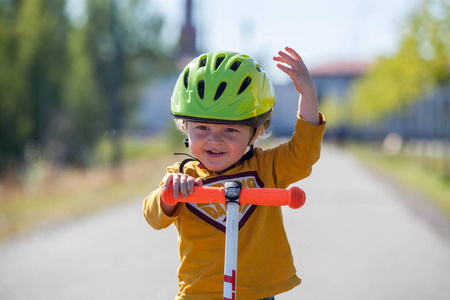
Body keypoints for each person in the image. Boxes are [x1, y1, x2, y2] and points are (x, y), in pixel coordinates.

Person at [143, 47, 326, 300]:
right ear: (185, 127)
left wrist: (308, 93)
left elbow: (303, 153)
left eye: (230, 130)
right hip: (199, 293)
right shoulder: (184, 175)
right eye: (202, 127)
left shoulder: (267, 167)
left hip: (256, 293)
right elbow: (153, 217)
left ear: (257, 131)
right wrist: (168, 195)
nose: (214, 140)